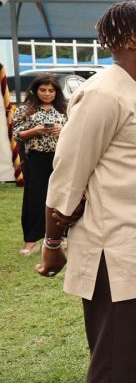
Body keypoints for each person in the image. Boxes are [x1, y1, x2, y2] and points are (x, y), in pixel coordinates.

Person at [36, 1, 136, 383]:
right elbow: (67, 177)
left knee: (123, 363)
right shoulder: (103, 94)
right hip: (112, 255)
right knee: (114, 370)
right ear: (129, 40)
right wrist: (52, 244)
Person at [11, 75, 67, 256]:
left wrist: (63, 130)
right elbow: (16, 134)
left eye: (51, 90)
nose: (47, 94)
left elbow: (77, 131)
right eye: (43, 90)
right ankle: (31, 240)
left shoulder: (65, 108)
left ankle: (61, 237)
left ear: (56, 92)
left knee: (61, 197)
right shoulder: (25, 109)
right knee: (34, 198)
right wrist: (34, 131)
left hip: (61, 159)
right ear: (35, 90)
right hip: (35, 159)